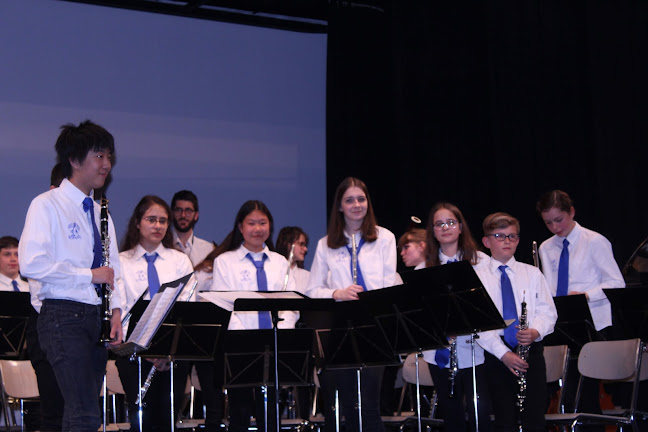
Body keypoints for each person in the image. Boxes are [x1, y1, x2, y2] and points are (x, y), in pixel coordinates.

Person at [19, 120, 123, 432]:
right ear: (75, 161)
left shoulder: (99, 211)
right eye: (99, 157)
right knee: (85, 414)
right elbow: (31, 263)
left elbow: (113, 269)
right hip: (62, 316)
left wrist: (117, 310)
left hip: (95, 318)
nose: (106, 165)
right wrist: (86, 275)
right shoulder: (46, 205)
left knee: (77, 414)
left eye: (108, 157)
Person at [305, 177, 397, 432]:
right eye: (349, 200)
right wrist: (338, 292)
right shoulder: (326, 244)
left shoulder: (385, 238)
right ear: (339, 206)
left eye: (361, 199)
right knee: (348, 407)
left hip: (375, 325)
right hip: (341, 326)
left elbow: (389, 284)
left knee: (369, 405)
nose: (356, 205)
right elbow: (312, 290)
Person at [536, 190, 625, 417]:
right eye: (548, 223)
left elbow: (616, 283)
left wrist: (586, 295)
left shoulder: (594, 241)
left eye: (559, 220)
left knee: (584, 390)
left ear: (571, 212)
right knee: (567, 387)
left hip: (594, 324)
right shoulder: (546, 247)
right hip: (564, 323)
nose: (555, 227)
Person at [211, 200, 297, 432]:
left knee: (270, 413)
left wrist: (281, 332)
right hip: (240, 346)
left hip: (276, 343)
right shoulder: (224, 262)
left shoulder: (281, 263)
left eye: (262, 223)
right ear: (240, 227)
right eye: (251, 223)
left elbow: (292, 304)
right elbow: (223, 305)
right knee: (240, 411)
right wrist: (246, 339)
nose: (257, 229)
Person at [116, 195, 194, 432]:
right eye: (151, 219)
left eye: (163, 220)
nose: (158, 226)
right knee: (141, 417)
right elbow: (121, 307)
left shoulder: (179, 261)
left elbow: (187, 304)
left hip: (173, 353)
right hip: (134, 354)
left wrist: (166, 351)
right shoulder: (122, 261)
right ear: (138, 223)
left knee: (167, 417)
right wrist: (143, 350)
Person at [476, 212, 557, 432]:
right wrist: (504, 354)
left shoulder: (532, 273)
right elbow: (480, 324)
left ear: (518, 240)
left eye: (512, 236)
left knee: (535, 417)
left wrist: (535, 331)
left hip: (530, 349)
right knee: (503, 419)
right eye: (500, 236)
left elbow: (548, 312)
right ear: (486, 242)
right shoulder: (477, 277)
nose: (507, 241)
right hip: (495, 354)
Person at [419, 202, 491, 432]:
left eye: (451, 222)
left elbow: (489, 306)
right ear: (432, 231)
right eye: (439, 224)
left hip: (476, 350)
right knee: (452, 416)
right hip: (439, 352)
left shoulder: (482, 262)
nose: (445, 227)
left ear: (460, 227)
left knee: (480, 412)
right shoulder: (423, 269)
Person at [171, 190, 216, 266]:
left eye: (188, 211)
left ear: (196, 215)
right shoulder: (162, 246)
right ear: (172, 213)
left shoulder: (208, 250)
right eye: (179, 210)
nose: (183, 215)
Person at [275, 226, 310, 292]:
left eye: (305, 245)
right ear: (288, 244)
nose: (305, 249)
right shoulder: (272, 271)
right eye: (301, 244)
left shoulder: (307, 277)